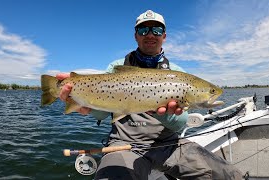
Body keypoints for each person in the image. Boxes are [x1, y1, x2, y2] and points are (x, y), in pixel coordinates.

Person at [57, 10, 243, 180]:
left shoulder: (177, 72)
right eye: (143, 30)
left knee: (230, 175)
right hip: (124, 144)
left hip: (168, 145)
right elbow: (103, 114)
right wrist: (85, 107)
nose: (150, 34)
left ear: (164, 35)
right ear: (136, 36)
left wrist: (164, 114)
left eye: (156, 29)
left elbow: (180, 124)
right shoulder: (115, 67)